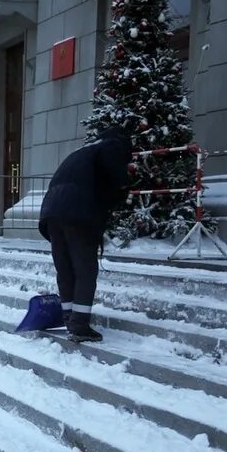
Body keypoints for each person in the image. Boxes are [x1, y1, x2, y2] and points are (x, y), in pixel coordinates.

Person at [37, 126, 133, 342]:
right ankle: (80, 324)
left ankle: (69, 315)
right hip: (78, 213)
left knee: (66, 268)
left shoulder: (80, 153)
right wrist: (122, 193)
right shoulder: (112, 146)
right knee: (85, 269)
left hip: (52, 213)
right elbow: (118, 181)